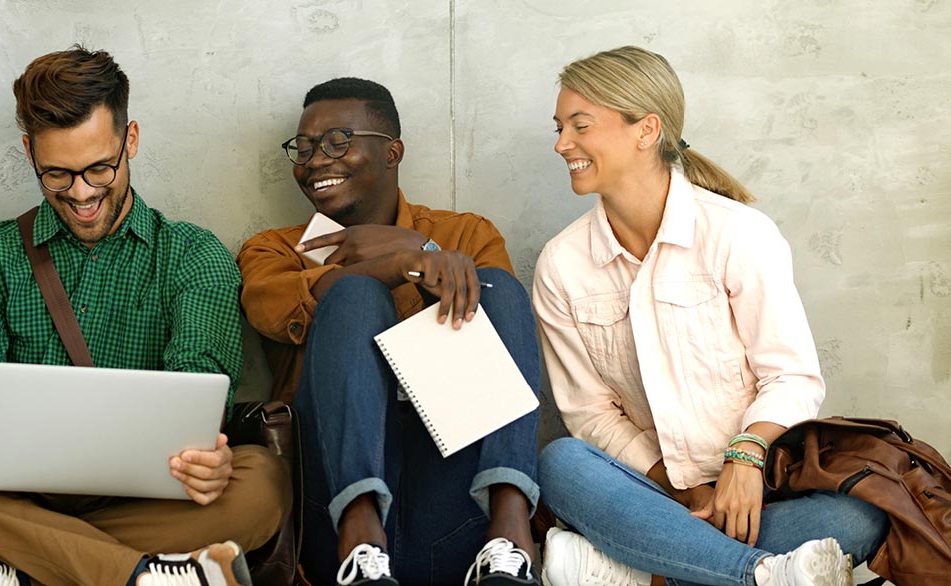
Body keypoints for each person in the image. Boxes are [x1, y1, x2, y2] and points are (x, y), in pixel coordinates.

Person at [0, 46, 288, 586]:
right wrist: (26, 444)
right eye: (57, 176)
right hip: (9, 492)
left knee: (261, 482)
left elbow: (200, 383)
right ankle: (148, 576)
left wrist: (205, 461)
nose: (82, 194)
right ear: (28, 153)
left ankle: (10, 567)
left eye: (99, 168)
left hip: (140, 499)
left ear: (130, 139)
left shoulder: (193, 254)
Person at [533, 46, 889, 586]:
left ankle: (640, 568)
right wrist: (683, 493)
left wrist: (743, 461)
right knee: (561, 463)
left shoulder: (738, 234)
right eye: (560, 127)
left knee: (859, 517)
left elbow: (790, 375)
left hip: (761, 487)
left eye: (580, 126)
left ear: (646, 129)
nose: (562, 144)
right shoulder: (562, 265)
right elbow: (589, 413)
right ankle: (763, 575)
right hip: (650, 493)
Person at [237, 77, 542, 586]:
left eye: (338, 141)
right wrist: (401, 263)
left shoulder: (465, 234)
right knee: (352, 295)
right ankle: (360, 526)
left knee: (496, 288)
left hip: (456, 498)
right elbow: (271, 309)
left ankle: (511, 530)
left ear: (392, 152)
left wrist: (422, 253)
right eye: (304, 147)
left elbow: (501, 338)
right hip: (331, 515)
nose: (315, 160)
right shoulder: (273, 249)